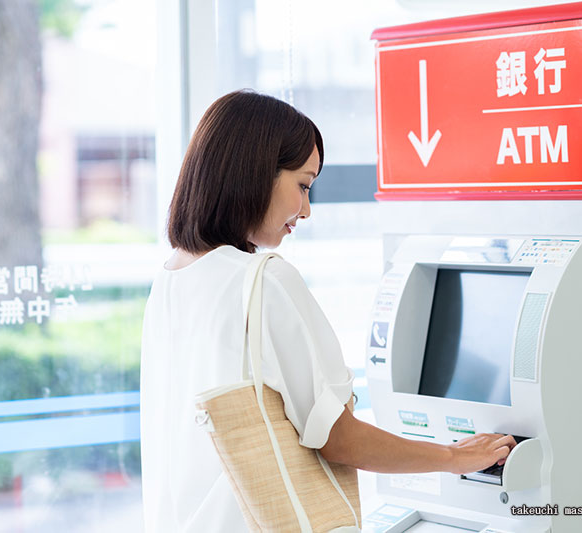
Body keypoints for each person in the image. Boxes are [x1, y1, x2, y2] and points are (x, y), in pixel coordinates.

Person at [140, 89, 516, 532]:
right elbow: (339, 439)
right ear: (255, 172)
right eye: (302, 184)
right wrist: (456, 457)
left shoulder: (170, 278)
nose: (307, 209)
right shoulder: (263, 280)